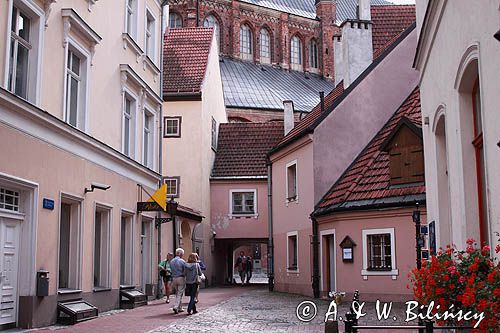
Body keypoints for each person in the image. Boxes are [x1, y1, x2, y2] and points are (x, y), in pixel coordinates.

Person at [170, 248, 187, 314]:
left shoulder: (171, 261)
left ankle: (180, 307)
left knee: (177, 293)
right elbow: (185, 270)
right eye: (182, 254)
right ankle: (176, 306)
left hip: (174, 278)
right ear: (180, 254)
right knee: (180, 293)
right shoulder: (182, 261)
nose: (182, 255)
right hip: (181, 278)